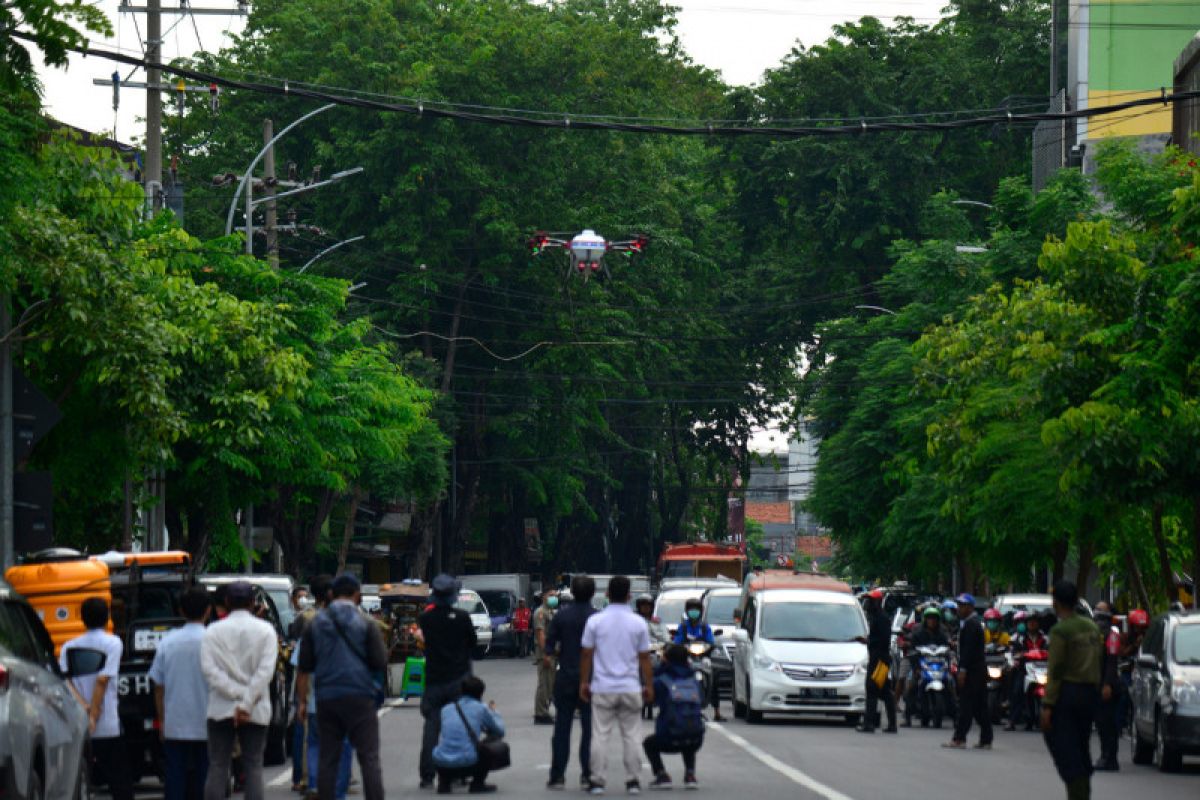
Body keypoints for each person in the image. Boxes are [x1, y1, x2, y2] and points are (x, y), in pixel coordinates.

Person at [297, 574, 387, 800]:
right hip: (360, 697)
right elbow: (380, 661)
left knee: (328, 756)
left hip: (327, 698)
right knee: (369, 758)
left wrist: (301, 702)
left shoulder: (315, 624)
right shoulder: (367, 624)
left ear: (331, 594)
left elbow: (304, 667)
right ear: (357, 595)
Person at [200, 580, 278, 800]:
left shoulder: (213, 631)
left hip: (221, 707)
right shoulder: (265, 631)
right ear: (253, 603)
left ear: (226, 601)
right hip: (255, 708)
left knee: (217, 765)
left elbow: (210, 671)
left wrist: (234, 695)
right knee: (253, 765)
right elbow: (265, 673)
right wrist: (246, 702)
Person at [580, 576, 654, 795]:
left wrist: (584, 682)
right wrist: (648, 684)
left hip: (602, 687)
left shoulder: (595, 621)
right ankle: (632, 781)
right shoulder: (638, 623)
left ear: (607, 595)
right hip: (630, 687)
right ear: (629, 596)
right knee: (631, 736)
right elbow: (644, 659)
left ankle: (597, 781)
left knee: (600, 735)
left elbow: (586, 654)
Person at [61, 597, 131, 800]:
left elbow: (66, 681)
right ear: (106, 617)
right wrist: (94, 713)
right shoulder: (113, 643)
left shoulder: (68, 646)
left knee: (81, 779)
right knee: (120, 781)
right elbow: (103, 680)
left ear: (82, 618)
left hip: (78, 722)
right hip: (106, 721)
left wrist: (83, 707)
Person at [149, 587, 211, 800]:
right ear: (208, 610)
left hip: (176, 720)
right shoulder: (213, 640)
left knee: (175, 775)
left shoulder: (167, 642)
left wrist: (162, 720)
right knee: (206, 773)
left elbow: (158, 685)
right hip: (208, 719)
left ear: (181, 611)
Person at [1040, 581, 1101, 800]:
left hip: (1068, 695)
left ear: (1056, 603)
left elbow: (1055, 670)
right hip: (1089, 695)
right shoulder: (1092, 628)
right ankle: (1082, 789)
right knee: (1082, 746)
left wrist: (1048, 705)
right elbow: (1099, 663)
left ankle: (1077, 793)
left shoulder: (1061, 631)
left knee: (1065, 747)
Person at [418, 574, 477, 789]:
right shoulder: (462, 617)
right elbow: (472, 642)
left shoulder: (426, 619)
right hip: (458, 679)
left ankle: (427, 774)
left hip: (434, 679)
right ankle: (460, 771)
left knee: (432, 727)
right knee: (460, 724)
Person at [545, 576, 599, 790]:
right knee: (589, 729)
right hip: (591, 679)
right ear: (592, 593)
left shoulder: (562, 616)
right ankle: (587, 774)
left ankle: (557, 775)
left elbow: (549, 646)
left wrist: (556, 653)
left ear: (572, 592)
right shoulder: (596, 617)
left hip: (566, 676)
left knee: (562, 728)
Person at [643, 645, 704, 791]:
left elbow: (650, 700)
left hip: (669, 737)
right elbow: (702, 701)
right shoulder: (694, 679)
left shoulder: (661, 680)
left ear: (667, 659)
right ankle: (690, 774)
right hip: (696, 738)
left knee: (649, 743)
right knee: (688, 730)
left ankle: (662, 775)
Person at [432, 675, 505, 795]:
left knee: (450, 742)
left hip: (442, 762)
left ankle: (444, 782)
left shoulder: (446, 709)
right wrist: (494, 712)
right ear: (480, 694)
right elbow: (500, 731)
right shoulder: (481, 708)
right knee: (493, 743)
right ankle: (478, 783)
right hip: (468, 762)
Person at [944, 593, 992, 750]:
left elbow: (968, 651)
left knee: (966, 706)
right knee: (979, 707)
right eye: (958, 605)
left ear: (970, 607)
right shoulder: (970, 624)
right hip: (977, 671)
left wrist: (962, 670)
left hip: (972, 672)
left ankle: (959, 738)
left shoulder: (972, 625)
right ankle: (986, 738)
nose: (959, 609)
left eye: (962, 606)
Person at [672, 598, 723, 722]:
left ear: (701, 611)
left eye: (696, 609)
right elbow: (677, 641)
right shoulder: (683, 627)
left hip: (703, 657)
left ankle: (717, 711)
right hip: (687, 657)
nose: (694, 612)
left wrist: (713, 645)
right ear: (687, 611)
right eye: (691, 609)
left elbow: (711, 641)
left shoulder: (705, 627)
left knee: (715, 676)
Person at [859, 589, 897, 734]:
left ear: (877, 602)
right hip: (879, 658)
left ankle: (869, 724)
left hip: (879, 660)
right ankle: (891, 724)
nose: (868, 604)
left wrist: (868, 641)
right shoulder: (876, 617)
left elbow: (882, 640)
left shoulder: (882, 619)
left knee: (872, 689)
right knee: (884, 691)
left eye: (870, 601)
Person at [1091, 602, 1122, 772]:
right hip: (1097, 684)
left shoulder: (1113, 635)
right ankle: (1105, 756)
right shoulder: (1095, 634)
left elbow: (1111, 661)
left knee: (1108, 723)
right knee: (1101, 724)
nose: (1098, 613)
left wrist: (1107, 685)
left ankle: (1110, 758)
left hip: (1108, 686)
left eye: (1102, 610)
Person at [908, 606, 950, 727]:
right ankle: (908, 715)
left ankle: (954, 714)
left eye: (934, 619)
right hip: (922, 666)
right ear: (925, 620)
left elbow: (947, 651)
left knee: (951, 683)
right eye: (929, 618)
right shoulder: (918, 634)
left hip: (938, 666)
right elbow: (912, 652)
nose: (932, 621)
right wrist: (916, 668)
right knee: (912, 685)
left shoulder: (942, 635)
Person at [1008, 611, 1049, 731]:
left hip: (1043, 669)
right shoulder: (1019, 638)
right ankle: (1012, 721)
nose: (1032, 624)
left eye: (1034, 621)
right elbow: (1014, 653)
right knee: (1017, 691)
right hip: (1026, 670)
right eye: (1030, 621)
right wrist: (1019, 656)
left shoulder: (1045, 638)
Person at [533, 589, 560, 724]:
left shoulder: (551, 612)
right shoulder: (540, 613)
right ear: (544, 597)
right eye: (551, 595)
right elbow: (540, 634)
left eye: (555, 596)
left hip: (552, 653)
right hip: (545, 654)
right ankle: (540, 714)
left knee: (550, 685)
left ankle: (544, 711)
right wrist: (547, 654)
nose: (554, 598)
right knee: (544, 684)